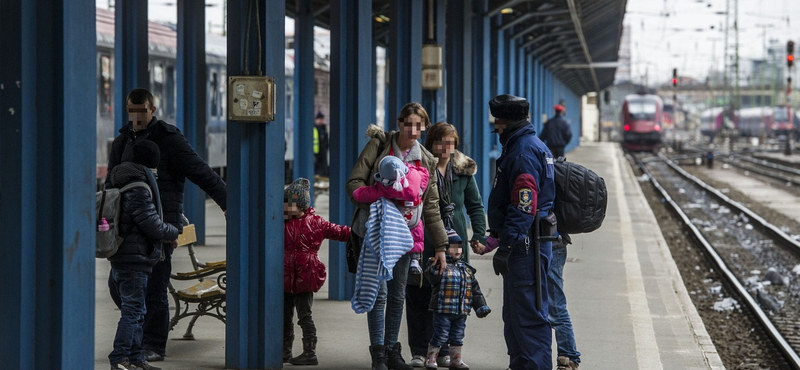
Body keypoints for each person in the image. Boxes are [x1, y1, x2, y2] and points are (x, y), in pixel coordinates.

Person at [106, 88, 228, 363]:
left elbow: (201, 171)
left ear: (152, 110)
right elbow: (110, 187)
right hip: (125, 228)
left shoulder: (169, 140)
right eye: (131, 111)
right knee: (119, 286)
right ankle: (137, 337)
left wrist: (227, 202)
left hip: (160, 227)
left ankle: (153, 344)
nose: (135, 117)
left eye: (141, 111)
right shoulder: (122, 142)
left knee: (155, 286)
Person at [346, 102, 449, 370]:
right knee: (378, 294)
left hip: (406, 236)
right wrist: (382, 194)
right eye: (409, 124)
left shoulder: (426, 158)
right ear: (399, 122)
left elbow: (431, 205)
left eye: (419, 125)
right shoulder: (379, 147)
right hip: (375, 232)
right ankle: (378, 352)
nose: (413, 130)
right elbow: (354, 184)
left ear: (424, 127)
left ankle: (393, 350)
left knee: (397, 294)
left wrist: (440, 246)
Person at [406, 122, 488, 368]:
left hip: (455, 245)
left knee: (449, 298)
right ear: (430, 143)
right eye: (441, 141)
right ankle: (420, 351)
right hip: (424, 237)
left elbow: (475, 205)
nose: (445, 147)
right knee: (419, 293)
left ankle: (442, 350)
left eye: (451, 142)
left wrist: (480, 235)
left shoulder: (463, 172)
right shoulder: (419, 169)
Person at [487, 94, 556, 370]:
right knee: (516, 314)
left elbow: (524, 205)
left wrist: (505, 247)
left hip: (526, 246)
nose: (496, 129)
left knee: (527, 316)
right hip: (529, 243)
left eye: (498, 123)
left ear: (507, 121)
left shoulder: (523, 152)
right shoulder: (529, 145)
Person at [106, 140, 179, 370]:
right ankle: (119, 358)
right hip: (133, 260)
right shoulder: (138, 186)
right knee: (133, 310)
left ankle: (137, 359)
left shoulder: (123, 180)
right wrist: (173, 231)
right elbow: (151, 223)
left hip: (125, 258)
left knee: (138, 310)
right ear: (151, 163)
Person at [283, 177, 351, 366]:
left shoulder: (316, 223)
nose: (285, 208)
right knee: (284, 317)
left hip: (305, 276)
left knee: (305, 316)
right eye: (284, 204)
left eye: (290, 205)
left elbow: (340, 231)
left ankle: (309, 352)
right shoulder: (281, 222)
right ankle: (284, 351)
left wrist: (359, 233)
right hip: (286, 277)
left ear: (302, 206)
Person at [423, 229, 491, 370]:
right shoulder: (439, 265)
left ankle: (456, 359)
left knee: (458, 336)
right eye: (454, 247)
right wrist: (436, 265)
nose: (458, 250)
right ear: (446, 249)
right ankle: (431, 358)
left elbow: (475, 291)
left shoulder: (466, 270)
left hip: (461, 311)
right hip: (443, 309)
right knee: (440, 334)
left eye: (459, 247)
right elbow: (431, 276)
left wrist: (480, 306)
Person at [353, 155, 429, 275]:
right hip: (415, 214)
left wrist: (357, 193)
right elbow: (425, 174)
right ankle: (415, 258)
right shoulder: (415, 177)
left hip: (399, 220)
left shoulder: (388, 188)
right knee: (417, 232)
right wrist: (410, 168)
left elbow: (367, 193)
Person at [548, 238, 580, 370]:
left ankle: (569, 358)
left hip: (551, 244)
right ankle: (568, 357)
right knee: (553, 306)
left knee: (556, 306)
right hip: (551, 242)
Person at [313, 111, 330, 177]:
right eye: (319, 119)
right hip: (316, 150)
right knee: (316, 165)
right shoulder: (314, 127)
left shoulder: (324, 128)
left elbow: (326, 138)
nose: (321, 121)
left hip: (323, 149)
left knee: (323, 165)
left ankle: (322, 176)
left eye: (322, 119)